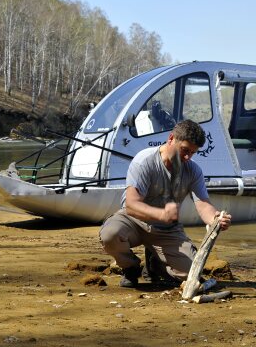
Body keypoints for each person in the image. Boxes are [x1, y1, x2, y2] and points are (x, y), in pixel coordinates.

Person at [99, 119, 232, 288]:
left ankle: (156, 264)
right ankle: (130, 267)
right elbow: (131, 205)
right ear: (171, 139)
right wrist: (161, 214)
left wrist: (215, 218)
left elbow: (203, 203)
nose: (187, 157)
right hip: (134, 221)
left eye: (192, 153)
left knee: (192, 274)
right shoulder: (144, 161)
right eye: (185, 150)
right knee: (110, 235)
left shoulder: (193, 170)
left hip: (167, 230)